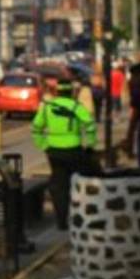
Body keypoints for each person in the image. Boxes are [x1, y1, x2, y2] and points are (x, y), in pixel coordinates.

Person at [32, 79, 97, 230]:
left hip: (54, 152)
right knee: (79, 183)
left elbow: (36, 128)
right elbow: (89, 124)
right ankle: (80, 218)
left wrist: (43, 145)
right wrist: (90, 144)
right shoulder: (75, 106)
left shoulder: (48, 107)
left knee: (59, 185)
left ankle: (61, 221)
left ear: (57, 91)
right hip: (74, 150)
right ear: (71, 92)